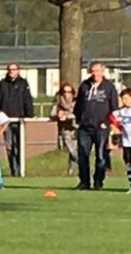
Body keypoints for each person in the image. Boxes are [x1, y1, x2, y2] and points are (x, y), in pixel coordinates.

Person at [74, 61, 119, 190]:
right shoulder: (84, 86)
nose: (95, 74)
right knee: (82, 155)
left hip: (101, 127)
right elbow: (78, 106)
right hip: (85, 127)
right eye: (93, 71)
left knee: (101, 156)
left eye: (98, 71)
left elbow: (114, 108)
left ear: (103, 71)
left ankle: (98, 181)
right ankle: (84, 182)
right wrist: (79, 120)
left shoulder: (109, 87)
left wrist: (108, 123)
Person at [0, 62, 34, 177]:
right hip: (6, 121)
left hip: (19, 120)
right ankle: (14, 171)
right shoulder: (2, 84)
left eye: (14, 69)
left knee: (19, 146)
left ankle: (20, 169)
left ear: (18, 70)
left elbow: (27, 99)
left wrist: (29, 114)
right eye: (10, 69)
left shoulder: (23, 83)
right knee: (9, 146)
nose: (12, 71)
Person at [50, 83, 78, 176]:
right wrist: (58, 114)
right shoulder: (58, 102)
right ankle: (83, 165)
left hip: (75, 128)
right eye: (64, 91)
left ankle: (70, 171)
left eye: (69, 92)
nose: (67, 94)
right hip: (65, 129)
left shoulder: (76, 102)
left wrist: (67, 115)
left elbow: (79, 114)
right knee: (71, 150)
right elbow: (51, 114)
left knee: (75, 150)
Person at [108, 88, 131, 193]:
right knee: (128, 164)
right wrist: (114, 128)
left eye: (127, 98)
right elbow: (111, 118)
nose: (125, 101)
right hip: (127, 143)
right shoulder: (121, 112)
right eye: (123, 99)